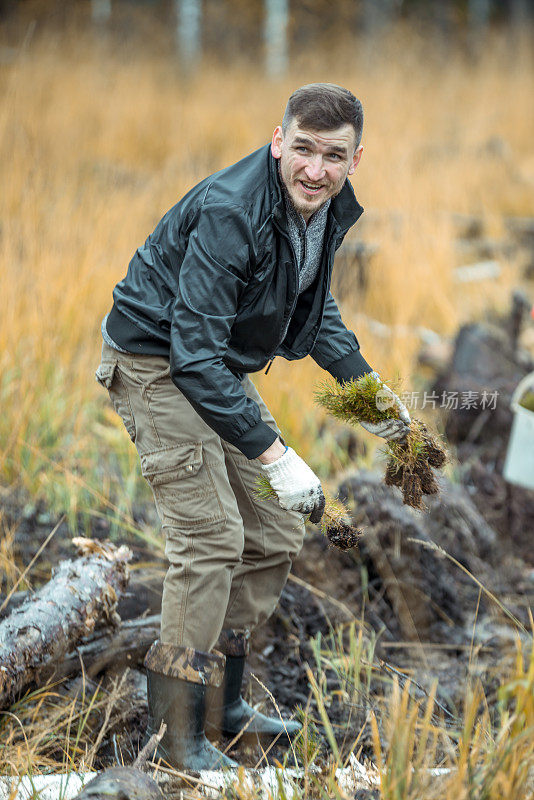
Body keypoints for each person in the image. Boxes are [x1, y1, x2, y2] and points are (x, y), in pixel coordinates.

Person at [95, 83, 410, 770]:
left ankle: (221, 706)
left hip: (210, 364)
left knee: (271, 530)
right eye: (303, 149)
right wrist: (274, 456)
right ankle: (175, 742)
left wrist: (370, 398)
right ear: (278, 141)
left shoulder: (328, 211)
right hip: (154, 361)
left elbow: (315, 313)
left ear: (355, 160)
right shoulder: (232, 212)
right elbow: (191, 354)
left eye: (334, 155)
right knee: (210, 536)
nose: (315, 169)